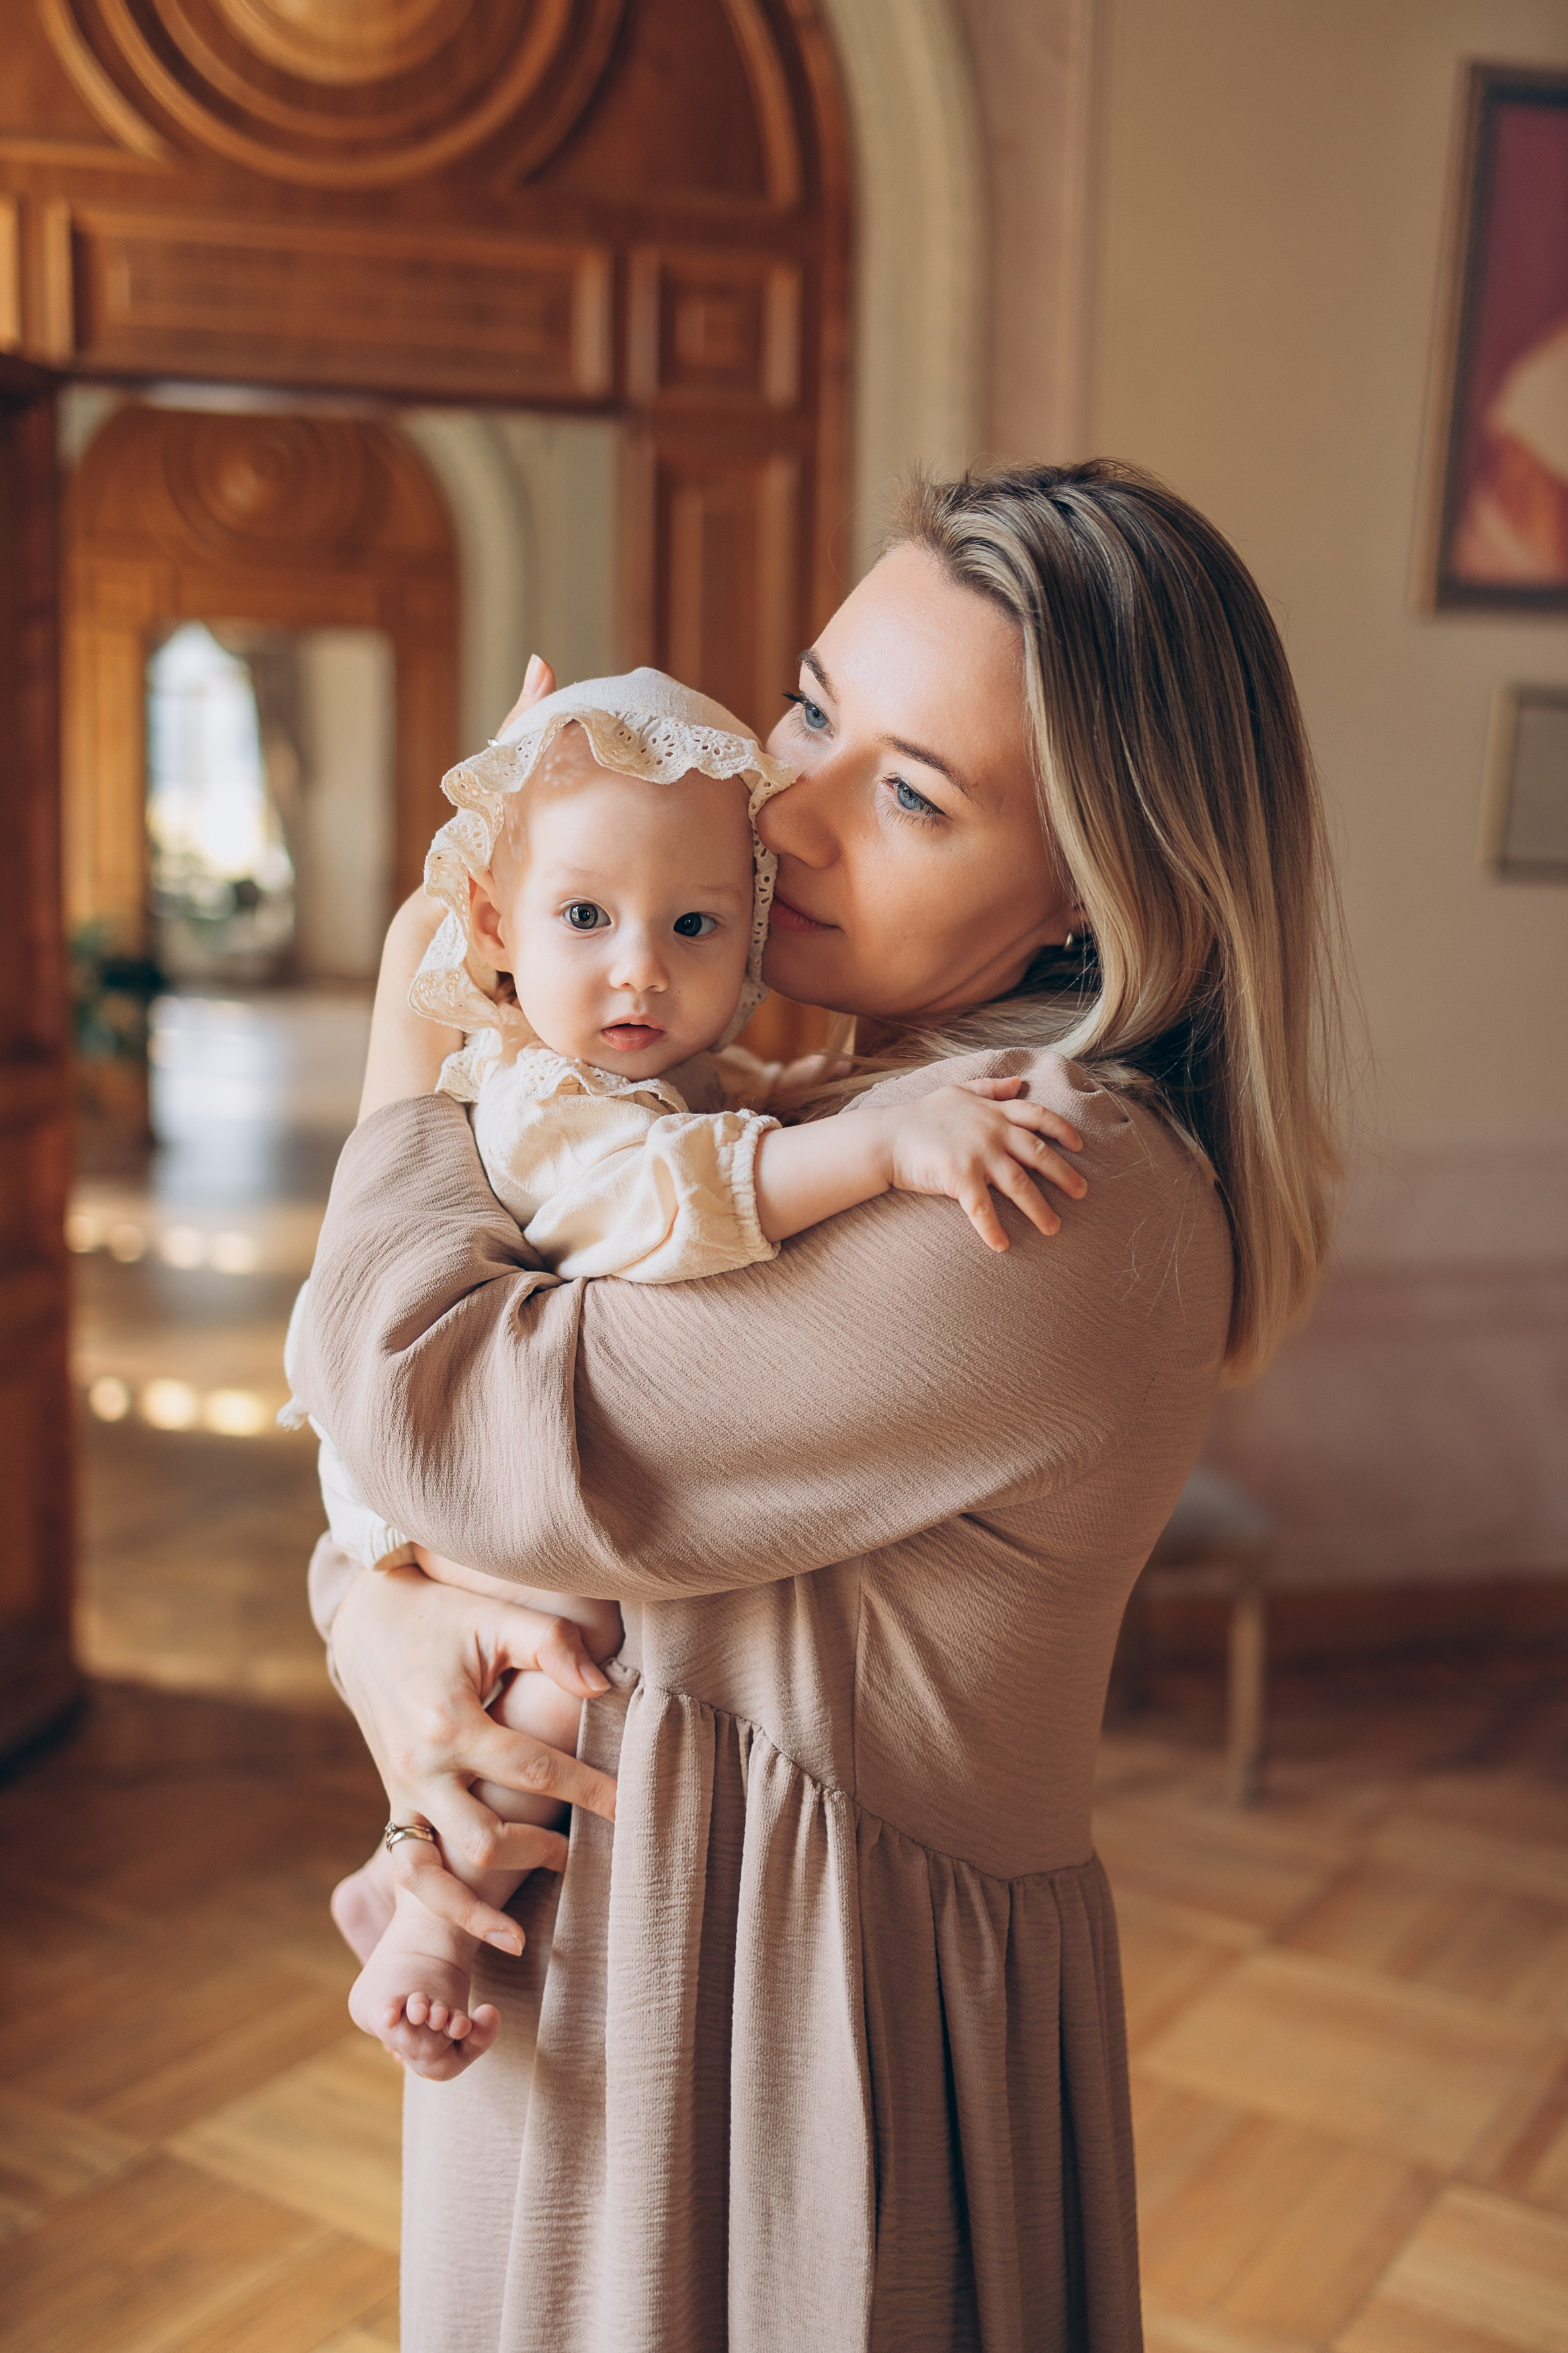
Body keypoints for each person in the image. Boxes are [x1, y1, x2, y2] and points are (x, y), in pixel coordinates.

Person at [288, 461, 1344, 2353]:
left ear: (1084, 917)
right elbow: (427, 1481)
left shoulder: (1043, 1189)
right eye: (807, 707)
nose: (783, 805)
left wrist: (413, 1029)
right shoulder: (778, 1108)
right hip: (610, 1992)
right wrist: (373, 1620)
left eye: (910, 792)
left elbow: (427, 1405)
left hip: (788, 2058)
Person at [300, 668, 1086, 2071]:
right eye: (584, 918)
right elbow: (666, 1197)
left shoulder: (663, 1076)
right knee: (572, 1625)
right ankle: (435, 1892)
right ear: (493, 923)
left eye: (695, 925)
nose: (639, 971)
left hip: (443, 1436)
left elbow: (740, 1115)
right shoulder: (547, 1097)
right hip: (414, 1464)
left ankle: (402, 1863)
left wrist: (847, 1108)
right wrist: (883, 1145)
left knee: (562, 1624)